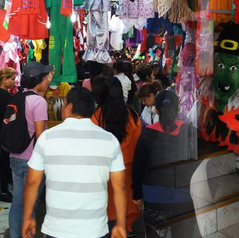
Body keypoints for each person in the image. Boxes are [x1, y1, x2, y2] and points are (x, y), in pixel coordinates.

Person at [22, 87, 127, 238]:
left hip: (57, 228)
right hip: (95, 229)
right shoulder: (109, 140)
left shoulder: (47, 138)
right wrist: (121, 225)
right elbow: (120, 187)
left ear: (69, 107)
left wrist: (27, 218)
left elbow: (32, 182)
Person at [132, 91, 193, 235]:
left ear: (156, 110)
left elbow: (138, 167)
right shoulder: (190, 131)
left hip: (154, 197)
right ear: (178, 108)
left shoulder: (146, 133)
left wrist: (137, 195)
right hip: (184, 198)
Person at [92, 78, 142, 236]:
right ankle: (126, 227)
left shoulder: (97, 117)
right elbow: (137, 145)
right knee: (125, 203)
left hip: (104, 172)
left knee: (107, 206)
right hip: (127, 169)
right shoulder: (132, 116)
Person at [9, 62, 53, 238]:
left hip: (14, 156)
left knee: (18, 202)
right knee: (31, 204)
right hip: (32, 160)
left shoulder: (16, 98)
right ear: (39, 80)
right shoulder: (38, 102)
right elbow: (41, 136)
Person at [0, 67, 17, 202]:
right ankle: (3, 191)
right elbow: (8, 115)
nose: (14, 82)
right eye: (12, 79)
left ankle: (5, 188)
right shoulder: (3, 94)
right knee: (6, 161)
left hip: (2, 129)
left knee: (6, 160)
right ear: (5, 80)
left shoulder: (0, 92)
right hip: (4, 130)